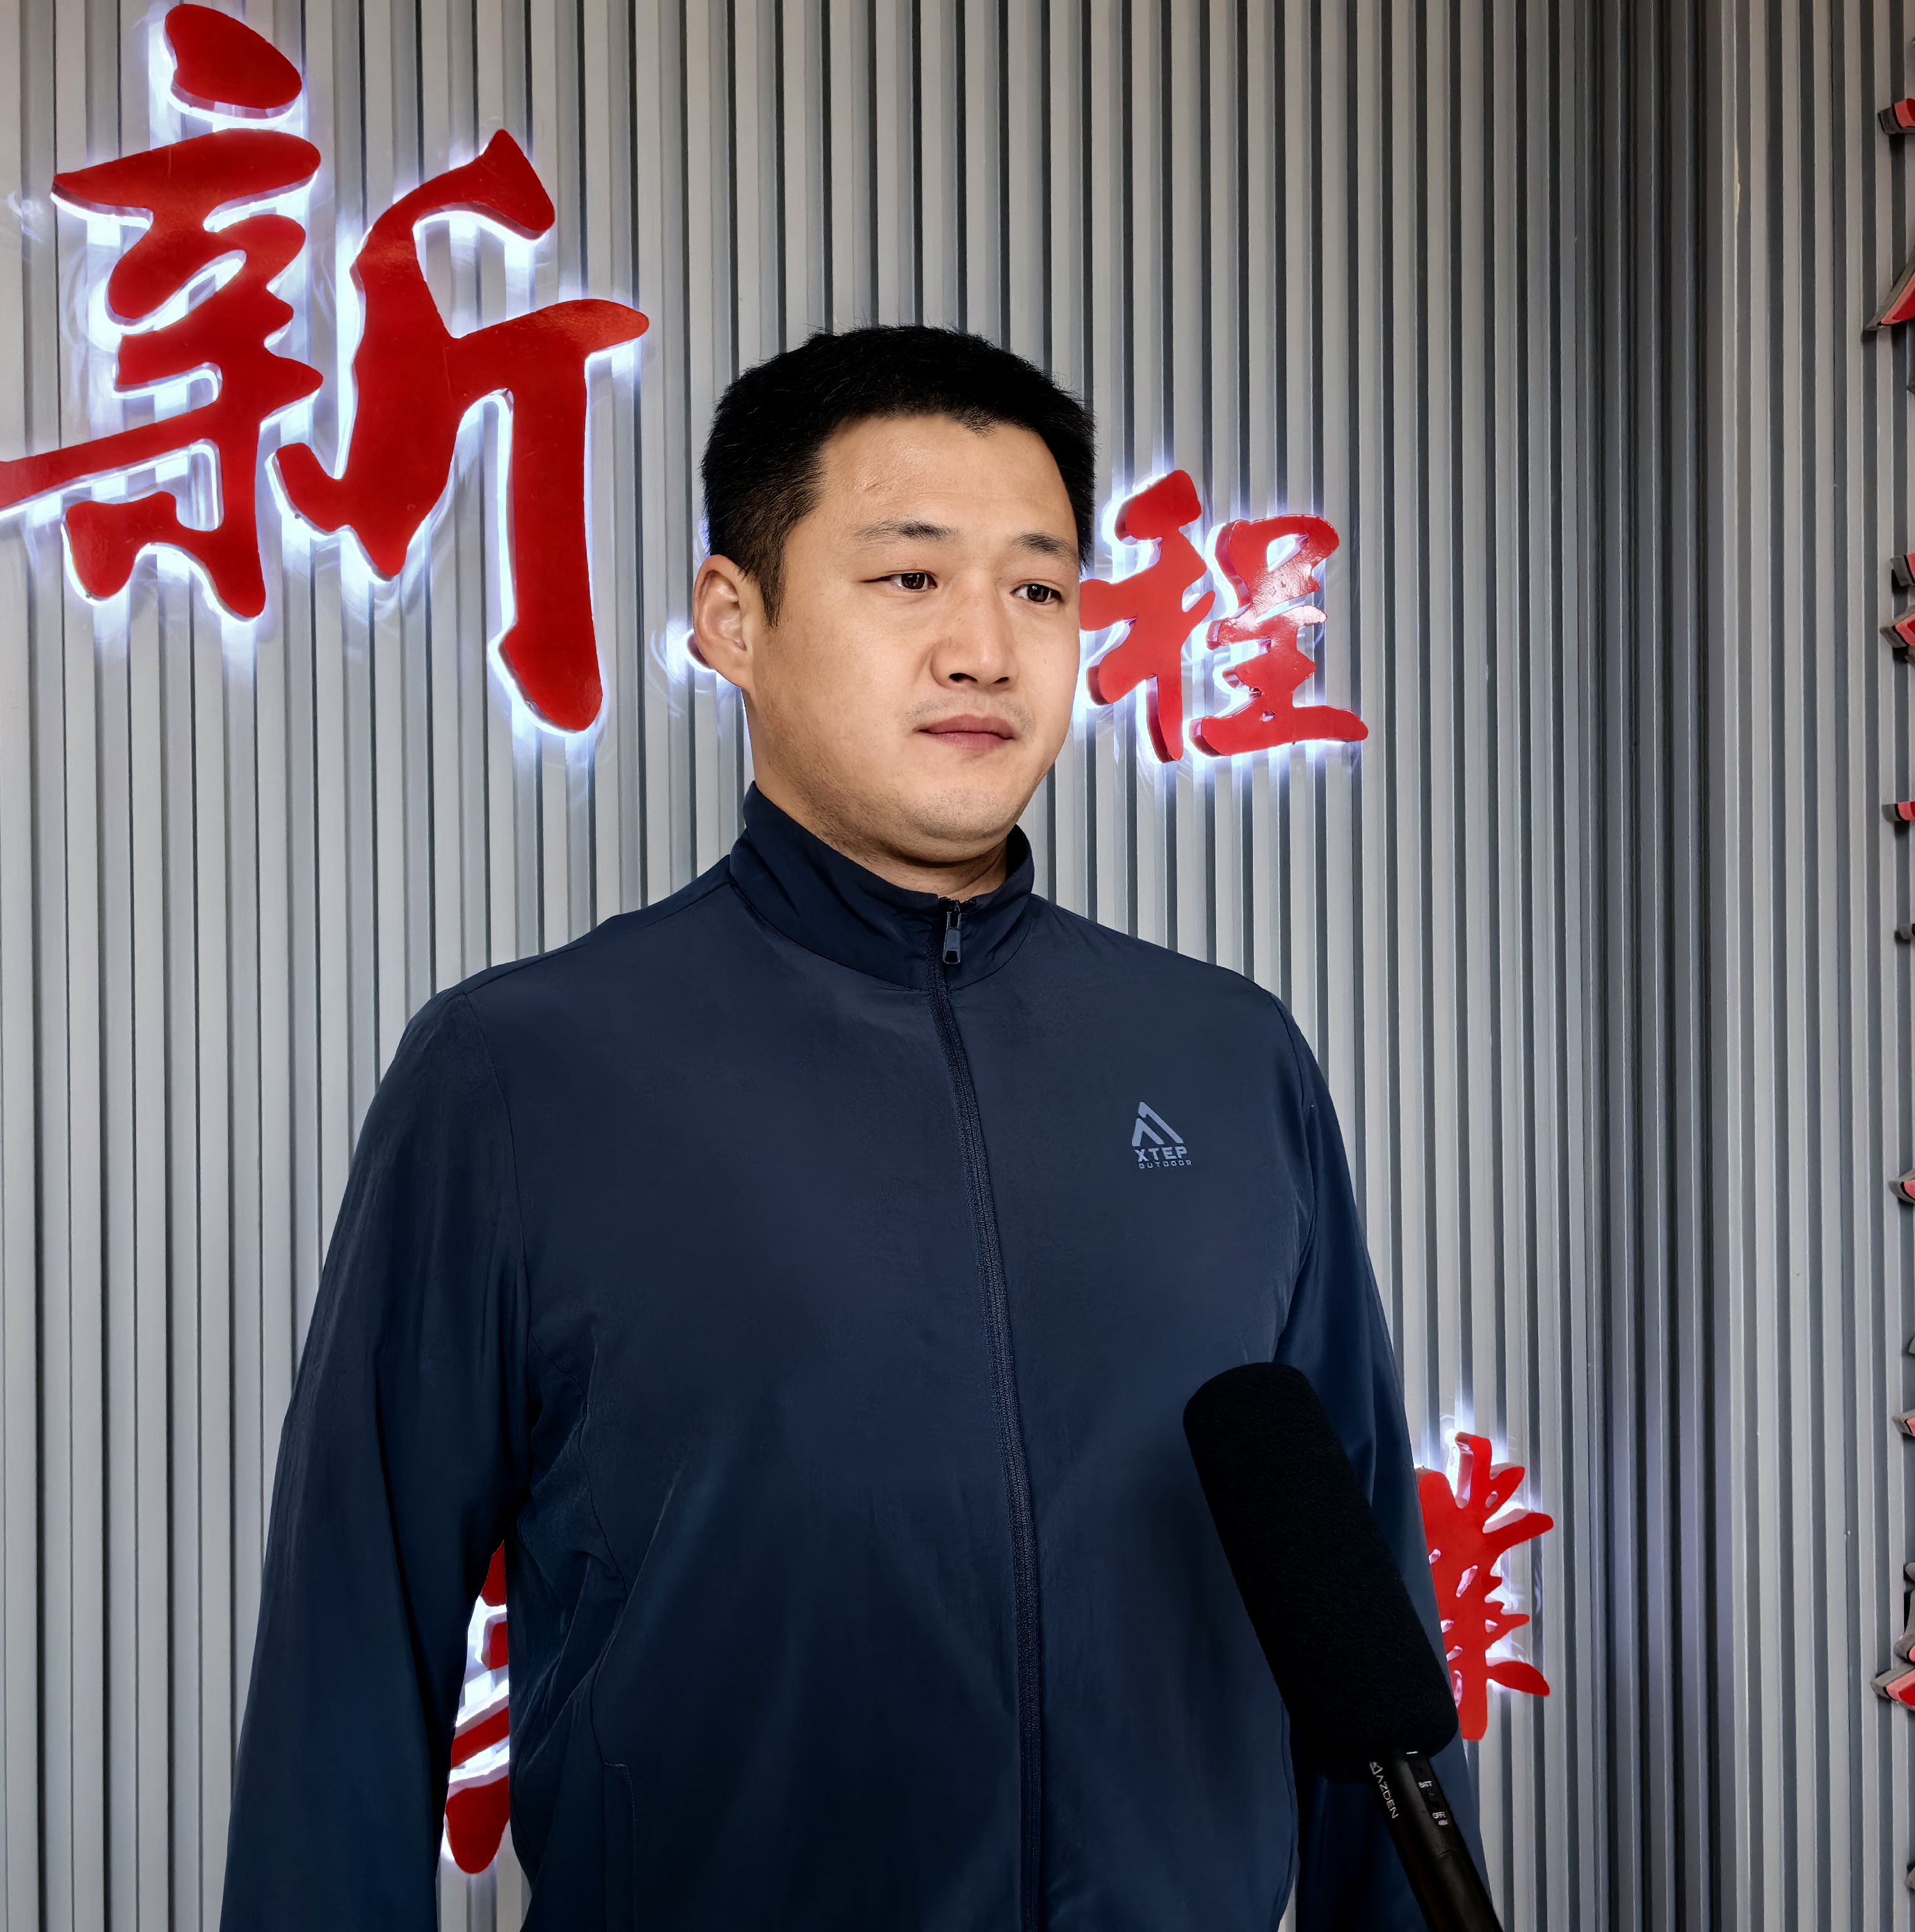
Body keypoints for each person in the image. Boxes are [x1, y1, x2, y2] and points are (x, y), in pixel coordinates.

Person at [218, 325, 1482, 1930]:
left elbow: (1361, 1625)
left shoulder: (1229, 1060)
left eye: (1037, 590)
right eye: (909, 578)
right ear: (731, 620)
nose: (984, 651)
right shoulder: (520, 1073)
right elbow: (353, 1641)